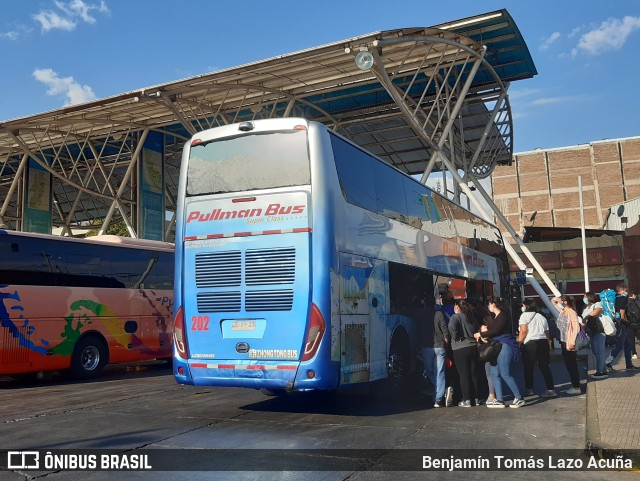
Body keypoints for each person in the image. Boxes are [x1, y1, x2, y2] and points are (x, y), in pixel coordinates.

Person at [474, 296, 524, 408]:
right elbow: (493, 331)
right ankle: (499, 400)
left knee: (505, 373)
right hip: (497, 346)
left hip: (505, 345)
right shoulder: (497, 316)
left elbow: (495, 331)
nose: (488, 306)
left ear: (493, 304)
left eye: (489, 304)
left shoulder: (502, 315)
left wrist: (481, 334)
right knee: (494, 373)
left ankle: (519, 397)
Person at [517, 299, 556, 397]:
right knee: (545, 367)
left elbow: (523, 331)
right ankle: (551, 389)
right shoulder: (541, 316)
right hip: (543, 342)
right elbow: (547, 333)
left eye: (523, 305)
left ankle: (529, 389)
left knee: (528, 368)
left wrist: (519, 342)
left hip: (530, 343)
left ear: (526, 306)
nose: (522, 307)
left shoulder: (524, 316)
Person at [416, 300, 450, 408]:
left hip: (426, 346)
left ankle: (440, 392)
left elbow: (419, 331)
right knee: (440, 372)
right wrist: (446, 342)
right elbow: (444, 329)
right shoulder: (439, 314)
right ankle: (438, 398)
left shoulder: (421, 315)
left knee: (429, 371)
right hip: (440, 346)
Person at [448, 299, 481, 407]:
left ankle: (466, 399)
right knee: (474, 373)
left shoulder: (455, 317)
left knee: (463, 374)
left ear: (457, 307)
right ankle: (476, 398)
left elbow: (451, 327)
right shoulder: (471, 317)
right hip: (473, 346)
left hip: (460, 348)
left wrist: (455, 337)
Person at [552, 295, 581, 394]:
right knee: (568, 364)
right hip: (563, 341)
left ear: (565, 302)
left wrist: (572, 342)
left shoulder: (572, 312)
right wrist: (558, 299)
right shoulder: (562, 312)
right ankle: (575, 385)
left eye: (562, 301)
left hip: (569, 342)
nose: (559, 303)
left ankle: (576, 387)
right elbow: (553, 301)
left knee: (572, 364)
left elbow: (576, 328)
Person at [605, 283, 637, 371]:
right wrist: (623, 319)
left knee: (628, 345)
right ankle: (607, 363)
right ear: (622, 290)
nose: (626, 292)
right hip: (621, 324)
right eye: (625, 290)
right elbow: (622, 310)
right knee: (619, 345)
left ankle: (629, 365)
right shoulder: (623, 298)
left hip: (617, 323)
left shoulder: (615, 298)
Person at [582, 291, 607, 379]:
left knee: (600, 351)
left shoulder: (598, 304)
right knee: (595, 351)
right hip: (591, 331)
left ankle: (600, 371)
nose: (584, 298)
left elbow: (597, 311)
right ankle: (603, 370)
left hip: (599, 330)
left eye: (585, 296)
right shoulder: (586, 308)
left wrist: (586, 318)